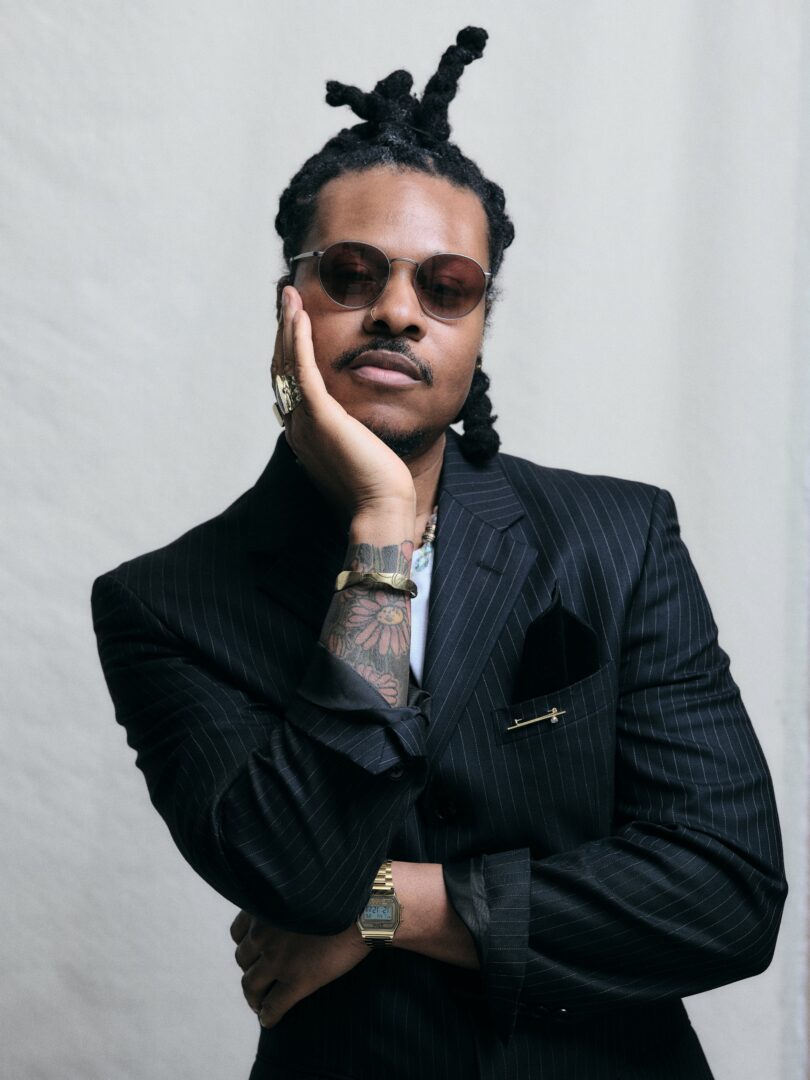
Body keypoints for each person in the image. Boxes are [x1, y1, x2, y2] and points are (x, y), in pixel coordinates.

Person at [92, 26, 787, 1080]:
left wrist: (390, 906)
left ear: (479, 326)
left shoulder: (619, 537)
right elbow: (299, 874)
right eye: (352, 273)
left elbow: (727, 895)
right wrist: (381, 525)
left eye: (447, 286)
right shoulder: (166, 603)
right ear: (289, 305)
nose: (398, 312)